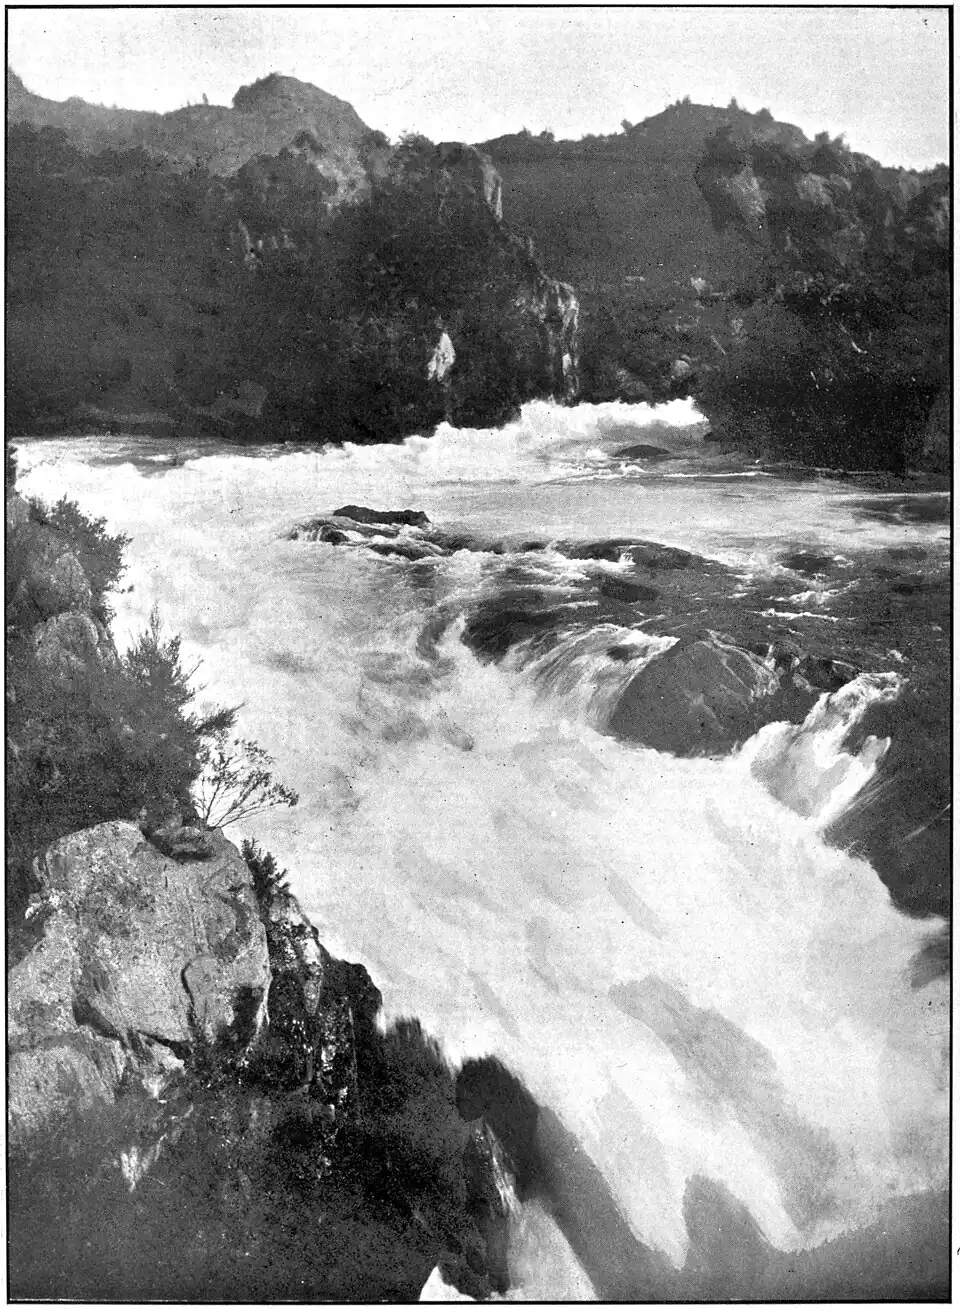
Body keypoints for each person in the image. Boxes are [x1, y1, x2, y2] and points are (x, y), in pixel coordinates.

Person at [427, 318, 456, 422]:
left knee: (444, 391)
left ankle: (445, 416)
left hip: (442, 368)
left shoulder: (445, 339)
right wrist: (432, 370)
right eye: (436, 329)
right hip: (432, 369)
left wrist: (443, 369)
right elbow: (432, 358)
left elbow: (450, 356)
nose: (437, 331)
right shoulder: (429, 339)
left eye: (439, 329)